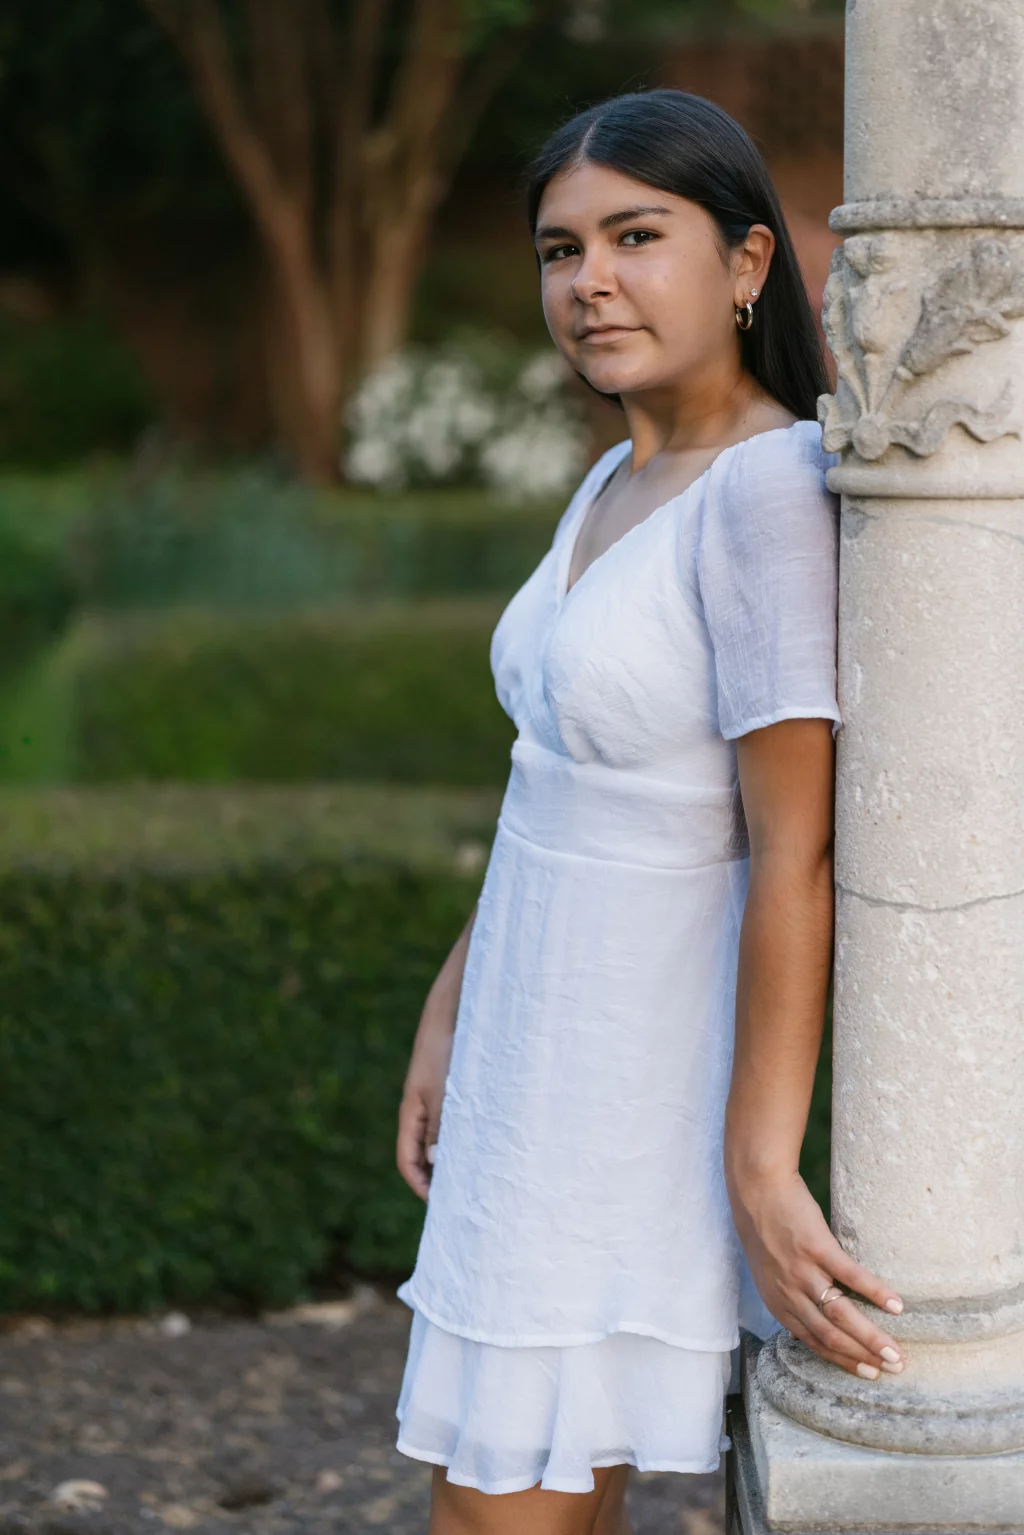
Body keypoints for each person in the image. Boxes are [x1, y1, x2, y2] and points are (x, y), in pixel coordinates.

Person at [393, 89, 906, 1535]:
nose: (589, 280)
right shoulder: (621, 474)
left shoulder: (764, 492)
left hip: (624, 1093)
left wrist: (759, 1160)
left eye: (635, 235)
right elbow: (552, 787)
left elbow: (791, 850)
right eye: (561, 250)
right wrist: (453, 1001)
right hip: (526, 1060)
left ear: (748, 265)